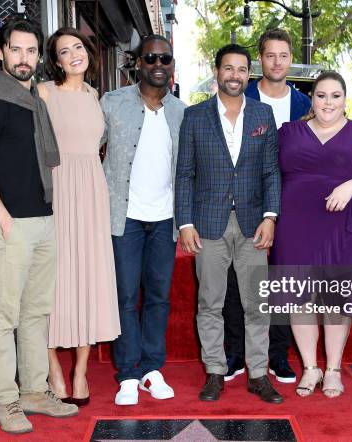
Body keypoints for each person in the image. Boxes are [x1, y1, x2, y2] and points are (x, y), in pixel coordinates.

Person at [0, 18, 78, 434]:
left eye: (31, 51)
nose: (24, 58)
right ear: (0, 53)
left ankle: (33, 391)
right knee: (4, 318)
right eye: (16, 50)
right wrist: (6, 221)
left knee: (35, 314)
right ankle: (6, 402)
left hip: (43, 220)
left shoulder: (33, 102)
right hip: (10, 226)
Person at [272, 71, 352, 398]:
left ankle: (334, 368)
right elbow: (268, 172)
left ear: (344, 99)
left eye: (335, 96)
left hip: (344, 227)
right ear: (312, 99)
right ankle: (311, 367)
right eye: (321, 95)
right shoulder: (288, 132)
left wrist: (349, 186)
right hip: (296, 225)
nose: (328, 102)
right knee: (299, 296)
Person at [176, 44, 283, 404]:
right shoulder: (194, 116)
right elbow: (185, 173)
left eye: (241, 69)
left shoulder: (263, 115)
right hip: (208, 224)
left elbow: (271, 172)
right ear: (217, 71)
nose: (234, 75)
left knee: (256, 303)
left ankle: (257, 374)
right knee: (210, 302)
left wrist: (271, 217)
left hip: (254, 223)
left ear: (248, 74)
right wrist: (185, 222)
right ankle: (214, 372)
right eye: (228, 68)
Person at [101, 34, 186, 406]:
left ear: (171, 65)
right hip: (124, 219)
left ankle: (152, 368)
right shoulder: (111, 103)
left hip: (164, 219)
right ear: (138, 63)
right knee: (124, 297)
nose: (157, 65)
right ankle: (129, 374)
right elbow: (84, 152)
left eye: (164, 59)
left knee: (157, 298)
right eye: (150, 58)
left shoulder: (183, 112)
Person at [222, 28, 311, 384]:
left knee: (283, 281)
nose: (277, 62)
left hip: (291, 203)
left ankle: (279, 355)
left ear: (291, 59)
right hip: (241, 202)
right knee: (235, 281)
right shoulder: (241, 95)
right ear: (260, 58)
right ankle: (234, 353)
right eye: (270, 55)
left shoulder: (304, 104)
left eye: (283, 56)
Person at [38, 27, 120, 407]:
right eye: (64, 51)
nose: (73, 55)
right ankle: (53, 365)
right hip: (56, 188)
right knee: (53, 277)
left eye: (78, 48)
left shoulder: (95, 96)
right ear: (55, 60)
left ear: (88, 51)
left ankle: (81, 371)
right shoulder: (44, 93)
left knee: (88, 276)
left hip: (91, 190)